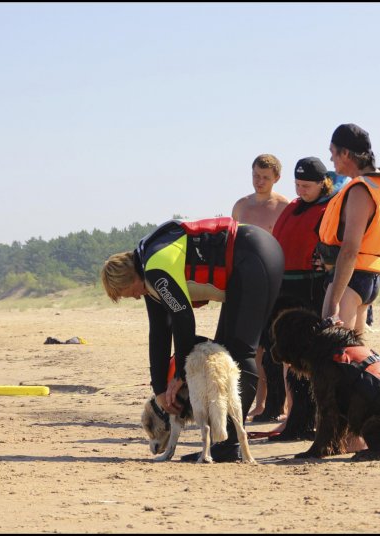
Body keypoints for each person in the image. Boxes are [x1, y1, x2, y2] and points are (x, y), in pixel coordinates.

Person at [102, 217, 283, 462]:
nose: (134, 297)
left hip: (253, 255)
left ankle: (228, 446)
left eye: (128, 293)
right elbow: (159, 331)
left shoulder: (155, 270)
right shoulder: (146, 271)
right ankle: (224, 442)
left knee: (240, 352)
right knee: (225, 352)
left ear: (131, 278)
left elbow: (183, 318)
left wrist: (180, 376)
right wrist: (159, 390)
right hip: (248, 258)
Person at [265, 157, 345, 441]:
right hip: (286, 287)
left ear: (322, 182)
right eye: (297, 185)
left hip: (312, 289)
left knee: (307, 359)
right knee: (285, 357)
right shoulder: (294, 208)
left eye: (306, 185)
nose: (301, 190)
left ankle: (306, 419)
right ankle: (292, 416)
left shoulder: (330, 206)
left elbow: (338, 246)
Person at [318, 123, 380, 334]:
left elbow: (349, 250)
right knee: (355, 353)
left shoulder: (360, 190)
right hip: (370, 279)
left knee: (335, 353)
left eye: (333, 152)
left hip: (350, 280)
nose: (331, 159)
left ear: (345, 153)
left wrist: (331, 306)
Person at [230, 154, 289, 422]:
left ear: (276, 178)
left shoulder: (284, 207)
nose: (259, 181)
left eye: (265, 177)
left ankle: (286, 404)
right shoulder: (241, 206)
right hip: (246, 284)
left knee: (280, 348)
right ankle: (260, 402)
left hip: (276, 282)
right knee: (254, 349)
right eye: (255, 175)